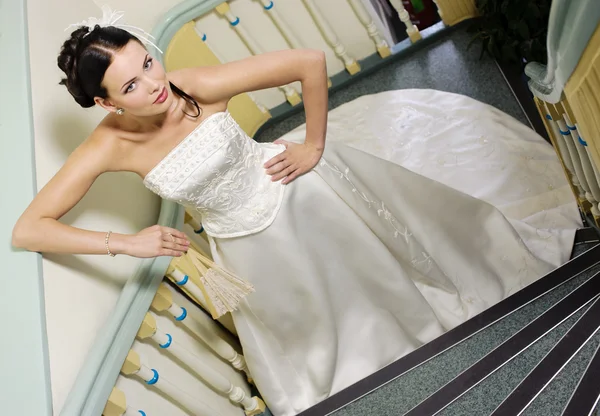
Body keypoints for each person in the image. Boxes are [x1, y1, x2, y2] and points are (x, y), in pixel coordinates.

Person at [12, 20, 578, 416]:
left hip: (302, 192)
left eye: (147, 62)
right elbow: (30, 228)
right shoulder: (107, 148)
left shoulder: (191, 87)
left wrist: (312, 144)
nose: (155, 84)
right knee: (317, 325)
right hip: (247, 243)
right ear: (108, 104)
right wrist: (126, 243)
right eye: (131, 85)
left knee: (381, 265)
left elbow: (309, 63)